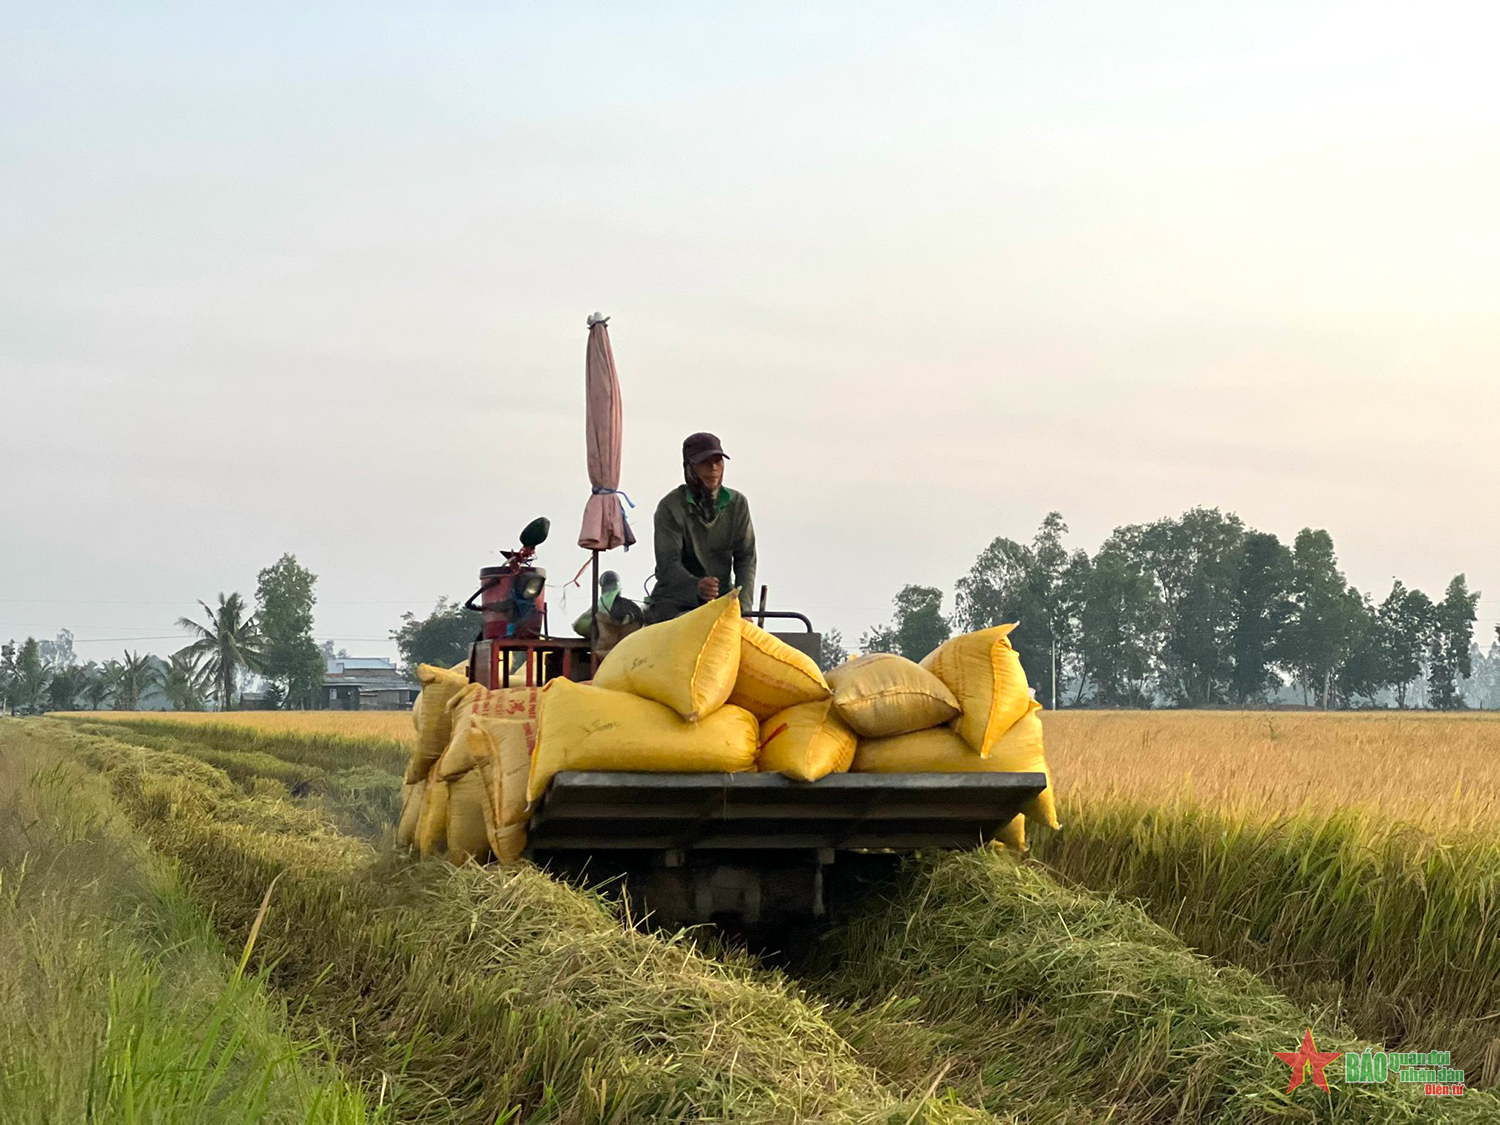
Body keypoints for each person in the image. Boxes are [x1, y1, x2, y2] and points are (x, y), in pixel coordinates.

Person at [644, 432, 756, 624]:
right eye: (705, 462)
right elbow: (668, 565)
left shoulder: (738, 504)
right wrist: (696, 586)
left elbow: (746, 558)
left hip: (723, 603)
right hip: (674, 603)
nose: (713, 468)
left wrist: (743, 609)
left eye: (718, 461)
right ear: (689, 468)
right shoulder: (670, 507)